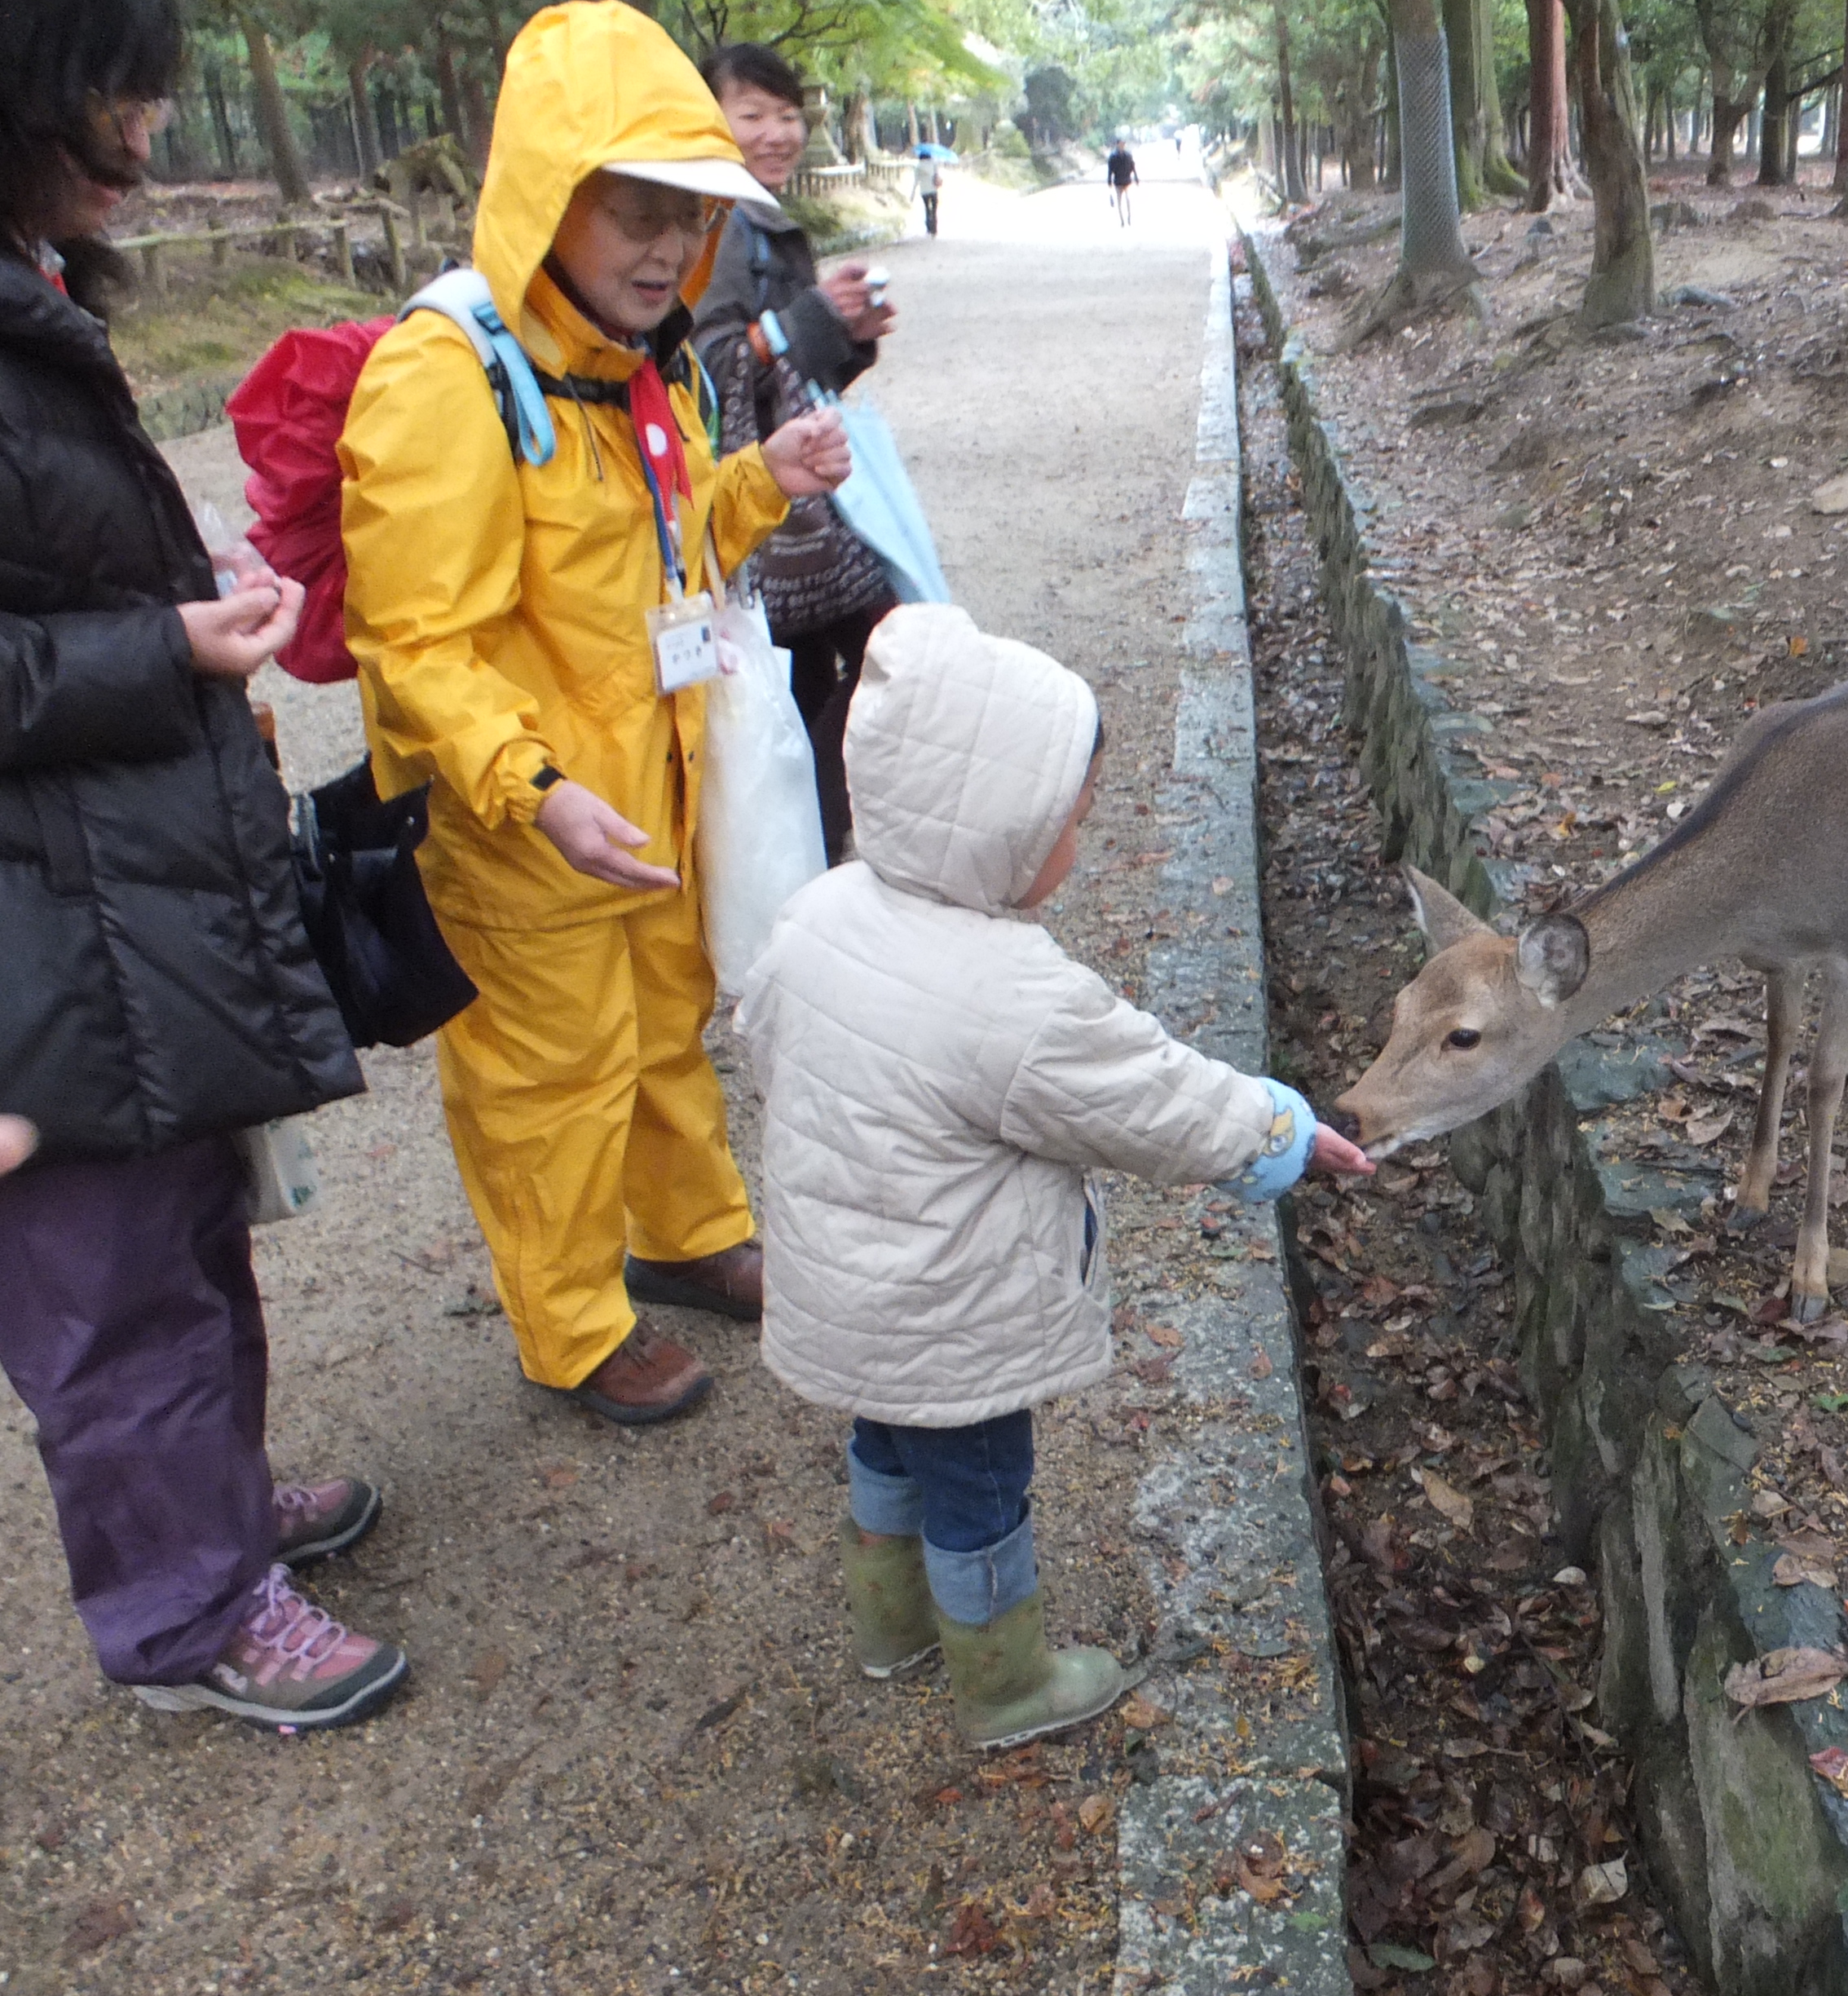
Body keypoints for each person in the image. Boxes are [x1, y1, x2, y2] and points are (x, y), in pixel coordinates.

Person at [341, 2, 852, 1429]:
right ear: (544, 191)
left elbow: (671, 544)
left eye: (684, 219)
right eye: (626, 209)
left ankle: (690, 1236)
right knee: (547, 1077)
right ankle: (569, 1325)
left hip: (647, 790)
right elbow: (416, 638)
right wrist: (533, 785)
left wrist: (764, 478)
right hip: (526, 822)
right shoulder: (446, 373)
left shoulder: (643, 363)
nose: (659, 247)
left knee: (664, 1026)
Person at [738, 605, 1374, 1748]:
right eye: (1070, 823)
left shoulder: (816, 913)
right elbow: (1158, 1097)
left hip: (850, 1286)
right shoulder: (1012, 995)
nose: (1081, 844)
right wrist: (1277, 1130)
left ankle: (891, 1632)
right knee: (982, 1489)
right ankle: (1003, 1683)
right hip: (956, 1314)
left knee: (884, 1446)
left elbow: (763, 1042)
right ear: (999, 829)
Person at [0, 0, 404, 1733]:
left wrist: (184, 607)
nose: (153, 127)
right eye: (123, 90)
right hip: (32, 914)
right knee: (104, 1284)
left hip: (107, 881)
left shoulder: (38, 287)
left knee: (186, 1230)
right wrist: (171, 647)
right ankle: (184, 1614)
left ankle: (219, 1515)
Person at [695, 41, 898, 863]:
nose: (776, 132)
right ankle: (811, 856)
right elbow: (708, 375)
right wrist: (808, 321)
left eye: (787, 115)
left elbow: (786, 376)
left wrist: (844, 335)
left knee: (817, 678)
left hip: (795, 501)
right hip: (756, 508)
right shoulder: (713, 227)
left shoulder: (766, 223)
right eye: (752, 115)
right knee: (885, 654)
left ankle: (811, 856)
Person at [1106, 139, 1137, 227]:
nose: (1122, 145)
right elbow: (1110, 170)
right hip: (1118, 182)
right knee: (1119, 201)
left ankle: (1129, 217)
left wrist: (1136, 177)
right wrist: (1109, 180)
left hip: (1127, 181)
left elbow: (1133, 167)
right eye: (1121, 144)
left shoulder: (1128, 155)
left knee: (1128, 199)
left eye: (1123, 144)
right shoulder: (1113, 156)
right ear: (1117, 144)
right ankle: (1122, 220)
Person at [919, 148, 942, 238]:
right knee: (934, 210)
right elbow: (937, 175)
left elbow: (916, 180)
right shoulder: (934, 164)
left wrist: (912, 194)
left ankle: (928, 228)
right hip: (933, 190)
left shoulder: (918, 166)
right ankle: (935, 229)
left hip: (924, 191)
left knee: (927, 209)